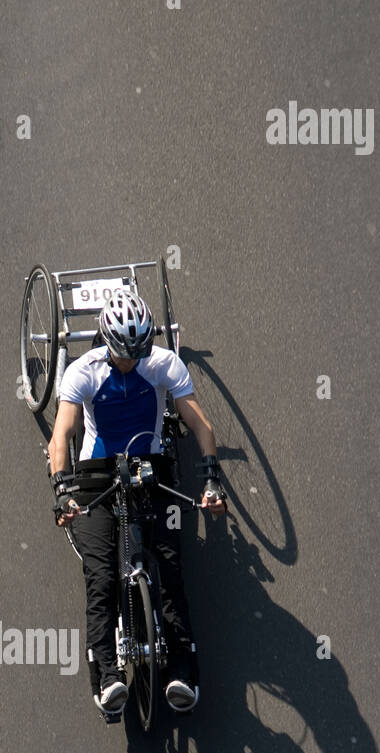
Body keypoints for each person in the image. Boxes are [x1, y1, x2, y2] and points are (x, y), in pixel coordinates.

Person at [47, 290, 226, 714]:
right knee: (101, 577)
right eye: (125, 354)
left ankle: (182, 672)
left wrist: (212, 481)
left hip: (151, 466)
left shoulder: (164, 364)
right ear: (107, 343)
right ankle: (108, 680)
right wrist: (62, 489)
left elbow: (202, 427)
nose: (133, 360)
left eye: (140, 350)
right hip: (98, 473)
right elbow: (62, 436)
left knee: (170, 566)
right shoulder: (82, 372)